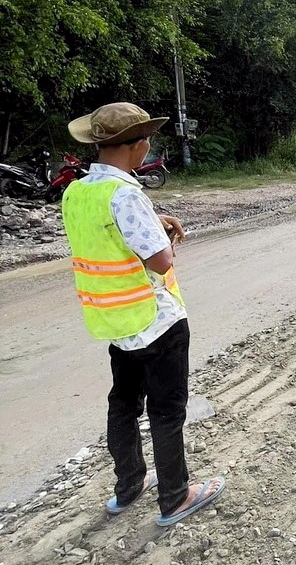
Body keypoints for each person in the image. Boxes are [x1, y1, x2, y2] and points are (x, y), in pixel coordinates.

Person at [61, 102, 225, 525]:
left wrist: (154, 219)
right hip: (156, 320)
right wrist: (165, 235)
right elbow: (160, 261)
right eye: (147, 137)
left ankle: (129, 485)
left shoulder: (77, 192)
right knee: (167, 411)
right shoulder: (126, 193)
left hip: (115, 321)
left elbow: (108, 236)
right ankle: (175, 497)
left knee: (123, 405)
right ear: (137, 146)